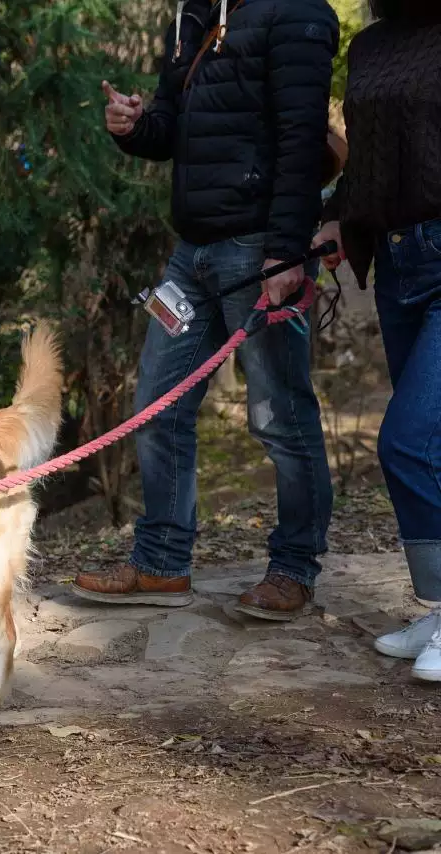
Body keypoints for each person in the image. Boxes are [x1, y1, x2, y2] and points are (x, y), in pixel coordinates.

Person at [72, 0, 338, 620]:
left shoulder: (297, 12)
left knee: (280, 417)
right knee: (158, 408)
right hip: (190, 253)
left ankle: (294, 570)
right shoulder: (194, 13)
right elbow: (171, 125)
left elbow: (302, 139)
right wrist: (132, 127)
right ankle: (162, 564)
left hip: (259, 251)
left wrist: (285, 253)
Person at [313, 0, 441, 681]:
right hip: (398, 264)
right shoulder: (371, 46)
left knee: (409, 441)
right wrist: (337, 220)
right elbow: (365, 161)